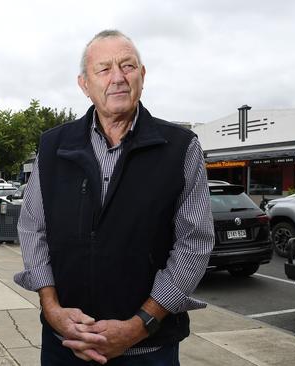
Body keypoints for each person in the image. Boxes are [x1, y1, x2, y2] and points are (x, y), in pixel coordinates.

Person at [14, 30, 214, 365]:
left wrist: (140, 325)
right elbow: (33, 230)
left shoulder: (180, 147)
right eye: (104, 69)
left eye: (128, 66)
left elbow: (194, 243)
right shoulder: (53, 147)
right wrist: (51, 309)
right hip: (65, 345)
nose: (118, 78)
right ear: (84, 84)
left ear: (143, 75)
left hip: (149, 350)